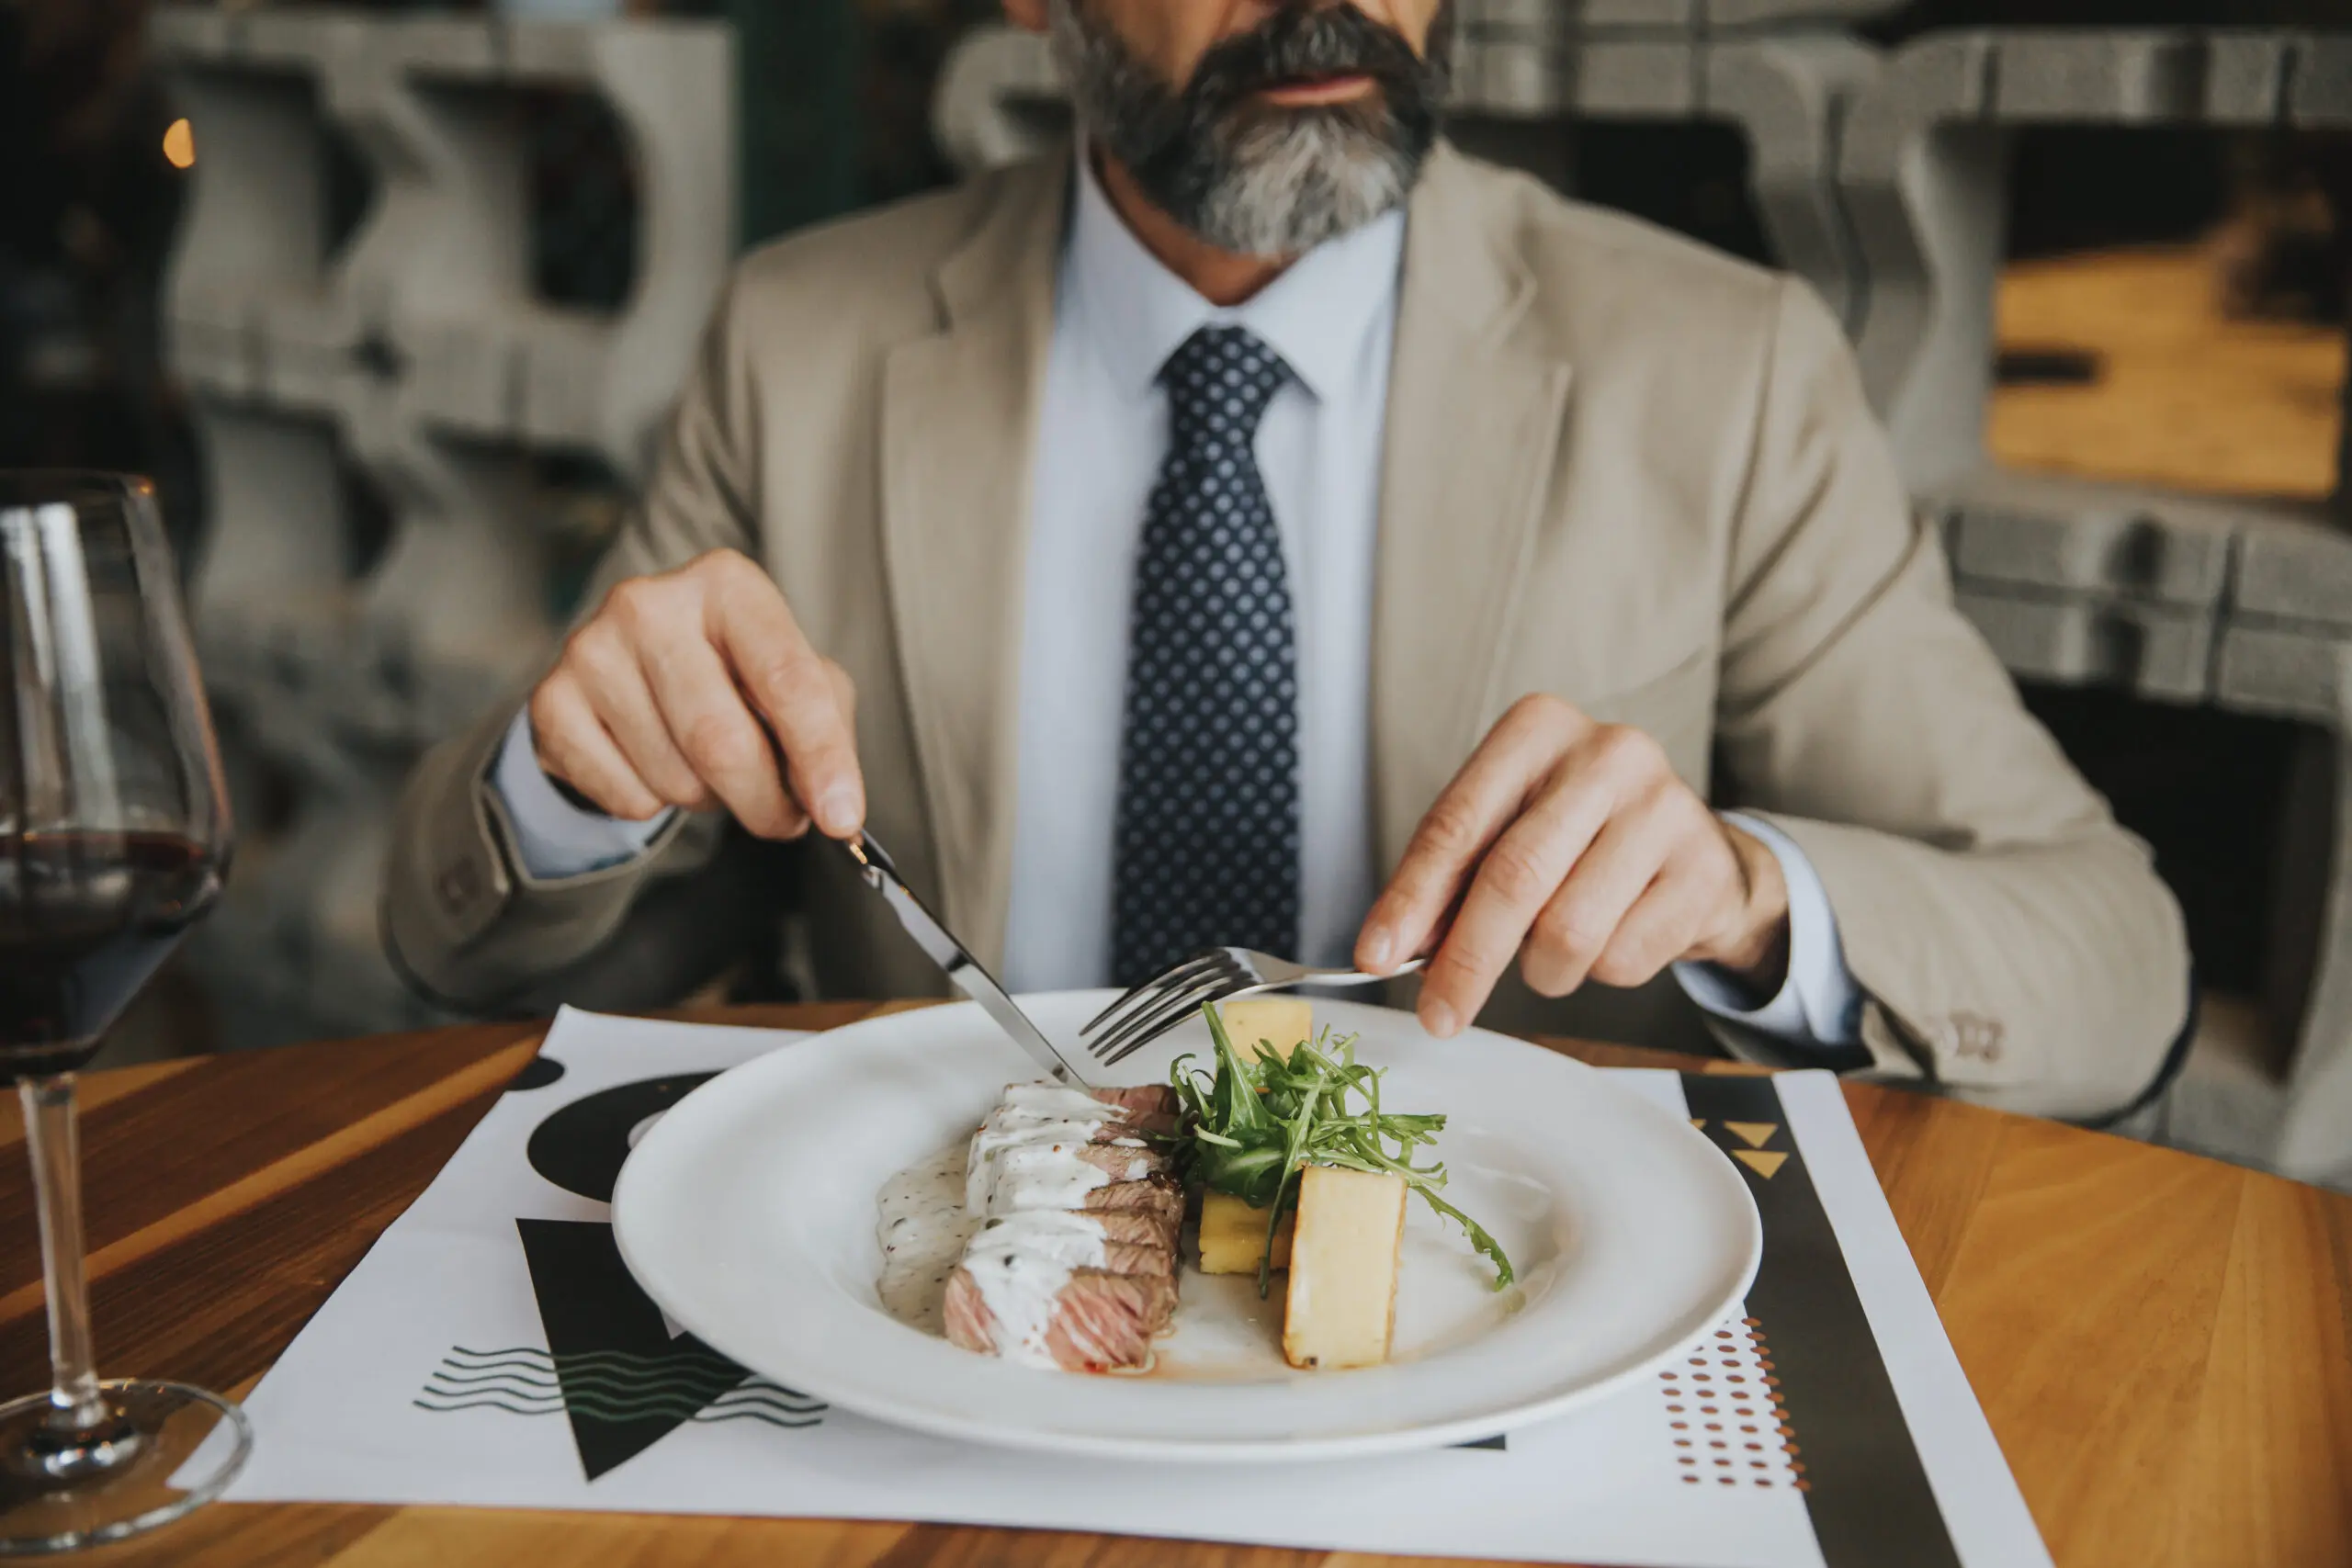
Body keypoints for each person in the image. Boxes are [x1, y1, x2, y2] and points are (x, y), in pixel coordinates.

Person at [383, 0, 2189, 1118]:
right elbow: (479, 964)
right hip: (963, 1335)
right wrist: (567, 782)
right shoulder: (798, 346)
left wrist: (1743, 890)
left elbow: (2113, 967)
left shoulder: (1724, 371)